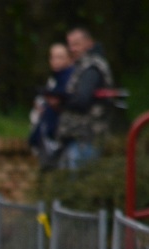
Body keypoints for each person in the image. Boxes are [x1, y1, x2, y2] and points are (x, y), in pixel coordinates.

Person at [54, 27, 114, 170]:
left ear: (89, 43)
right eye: (70, 45)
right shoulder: (82, 66)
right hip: (78, 137)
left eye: (77, 44)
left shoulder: (92, 67)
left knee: (79, 178)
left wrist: (61, 101)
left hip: (86, 138)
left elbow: (82, 100)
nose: (72, 49)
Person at [28, 43, 74, 171]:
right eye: (53, 57)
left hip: (59, 136)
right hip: (46, 135)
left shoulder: (71, 79)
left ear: (69, 59)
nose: (55, 61)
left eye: (60, 57)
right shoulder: (53, 80)